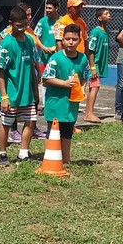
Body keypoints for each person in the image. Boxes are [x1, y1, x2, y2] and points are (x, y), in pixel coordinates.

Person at [0, 5, 40, 167]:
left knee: (30, 122)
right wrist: (4, 96)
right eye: (18, 25)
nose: (22, 28)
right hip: (11, 95)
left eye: (25, 24)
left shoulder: (29, 40)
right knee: (6, 123)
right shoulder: (6, 44)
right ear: (11, 23)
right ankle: (2, 154)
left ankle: (23, 153)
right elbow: (0, 72)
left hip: (27, 94)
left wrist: (36, 92)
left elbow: (32, 67)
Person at [42, 24, 88, 164]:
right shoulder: (56, 58)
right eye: (67, 39)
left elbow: (84, 77)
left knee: (68, 132)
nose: (70, 42)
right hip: (55, 103)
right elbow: (46, 78)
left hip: (71, 104)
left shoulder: (83, 59)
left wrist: (82, 89)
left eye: (74, 39)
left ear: (79, 41)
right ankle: (49, 159)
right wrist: (64, 84)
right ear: (62, 40)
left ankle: (66, 159)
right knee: (53, 132)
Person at [85, 8, 111, 123]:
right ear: (99, 18)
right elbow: (90, 50)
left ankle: (89, 112)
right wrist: (93, 67)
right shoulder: (96, 32)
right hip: (95, 65)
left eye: (109, 13)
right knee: (94, 88)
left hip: (100, 66)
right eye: (106, 14)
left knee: (95, 87)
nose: (109, 15)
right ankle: (89, 114)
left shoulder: (106, 32)